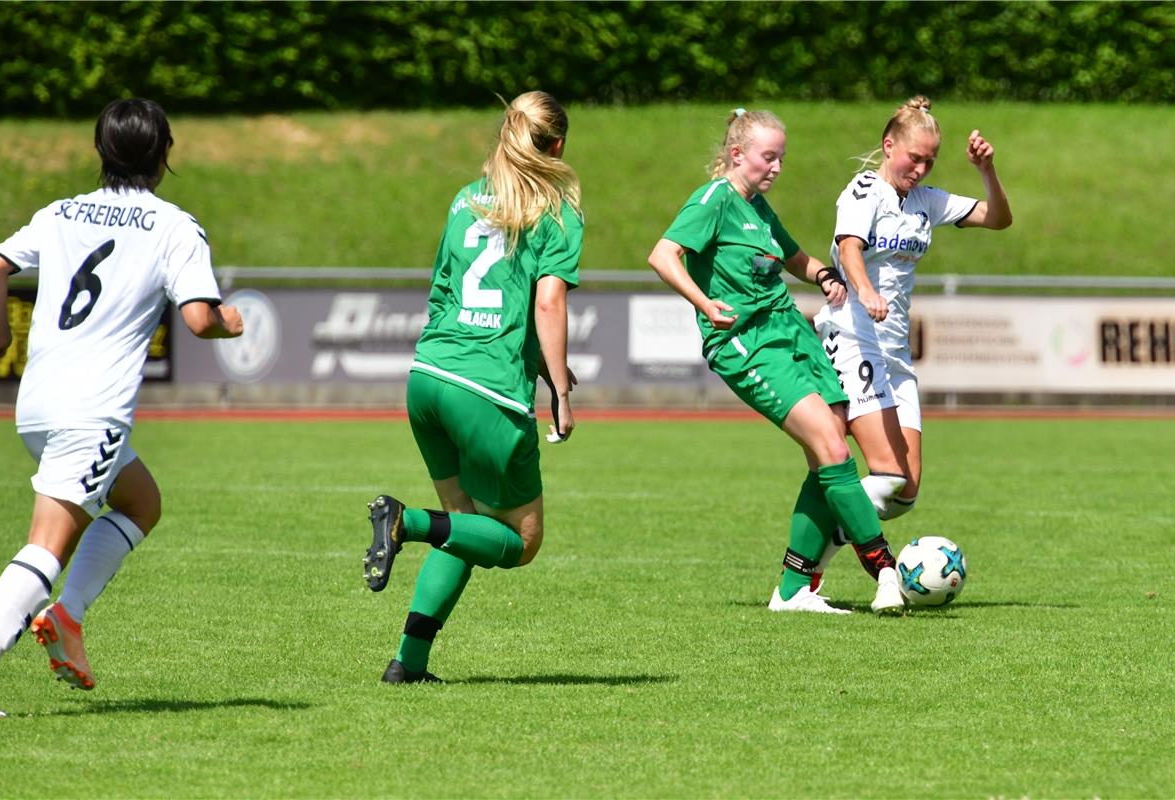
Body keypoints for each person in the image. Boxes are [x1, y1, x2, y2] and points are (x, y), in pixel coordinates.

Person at [0, 98, 244, 718]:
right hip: (91, 410)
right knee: (48, 546)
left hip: (39, 402)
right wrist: (229, 323)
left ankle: (67, 618)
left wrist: (0, 335)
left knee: (140, 501)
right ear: (165, 155)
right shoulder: (175, 225)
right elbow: (200, 319)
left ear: (101, 152)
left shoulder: (61, 212)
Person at [646, 108, 905, 617]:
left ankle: (792, 589)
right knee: (830, 446)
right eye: (770, 156)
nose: (778, 167)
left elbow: (793, 257)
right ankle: (885, 568)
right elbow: (662, 255)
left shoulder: (757, 208)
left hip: (790, 330)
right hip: (747, 343)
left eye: (782, 157)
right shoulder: (714, 201)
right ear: (737, 155)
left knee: (827, 445)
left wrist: (826, 275)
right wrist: (703, 303)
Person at [363, 90, 582, 683]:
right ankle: (403, 523)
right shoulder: (557, 210)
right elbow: (549, 301)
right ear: (557, 145)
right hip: (487, 393)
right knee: (520, 541)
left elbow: (442, 289)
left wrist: (520, 361)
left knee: (463, 523)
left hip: (428, 377)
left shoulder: (465, 200)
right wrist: (560, 388)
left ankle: (408, 663)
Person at [809, 96, 1012, 585]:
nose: (920, 169)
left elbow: (998, 218)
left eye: (929, 161)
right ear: (888, 145)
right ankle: (805, 572)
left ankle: (828, 508)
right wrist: (864, 289)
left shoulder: (926, 201)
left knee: (905, 492)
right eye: (913, 157)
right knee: (886, 471)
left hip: (895, 352)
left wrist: (987, 170)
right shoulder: (862, 192)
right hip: (854, 337)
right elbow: (848, 247)